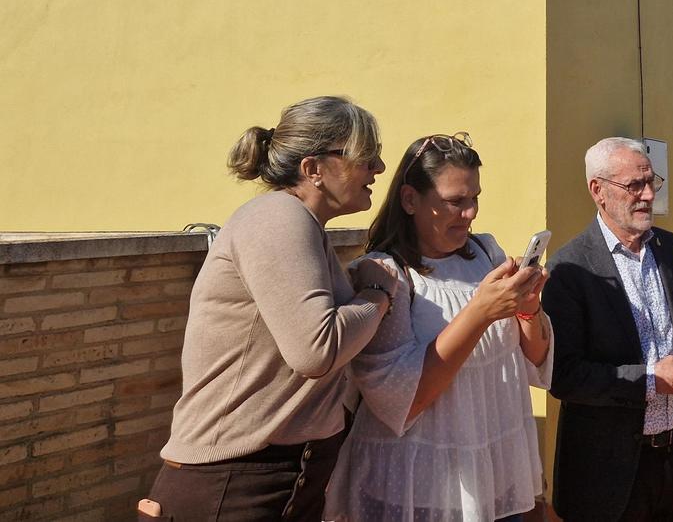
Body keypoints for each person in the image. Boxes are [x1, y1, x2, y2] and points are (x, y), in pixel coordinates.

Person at [140, 96, 397, 522]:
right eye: (365, 156)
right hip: (232, 483)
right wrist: (377, 294)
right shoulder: (278, 219)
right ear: (313, 168)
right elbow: (317, 350)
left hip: (277, 475)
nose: (378, 169)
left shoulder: (302, 226)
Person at [324, 131, 551, 522]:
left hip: (495, 471)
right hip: (418, 485)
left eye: (475, 198)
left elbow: (537, 359)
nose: (471, 213)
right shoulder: (384, 275)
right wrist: (479, 313)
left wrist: (529, 311)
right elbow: (405, 399)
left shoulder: (487, 252)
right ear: (410, 199)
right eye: (455, 201)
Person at [541, 136, 673, 522]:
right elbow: (565, 377)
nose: (648, 195)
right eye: (634, 185)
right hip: (608, 475)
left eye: (652, 182)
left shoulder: (668, 248)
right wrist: (653, 380)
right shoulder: (569, 270)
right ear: (598, 191)